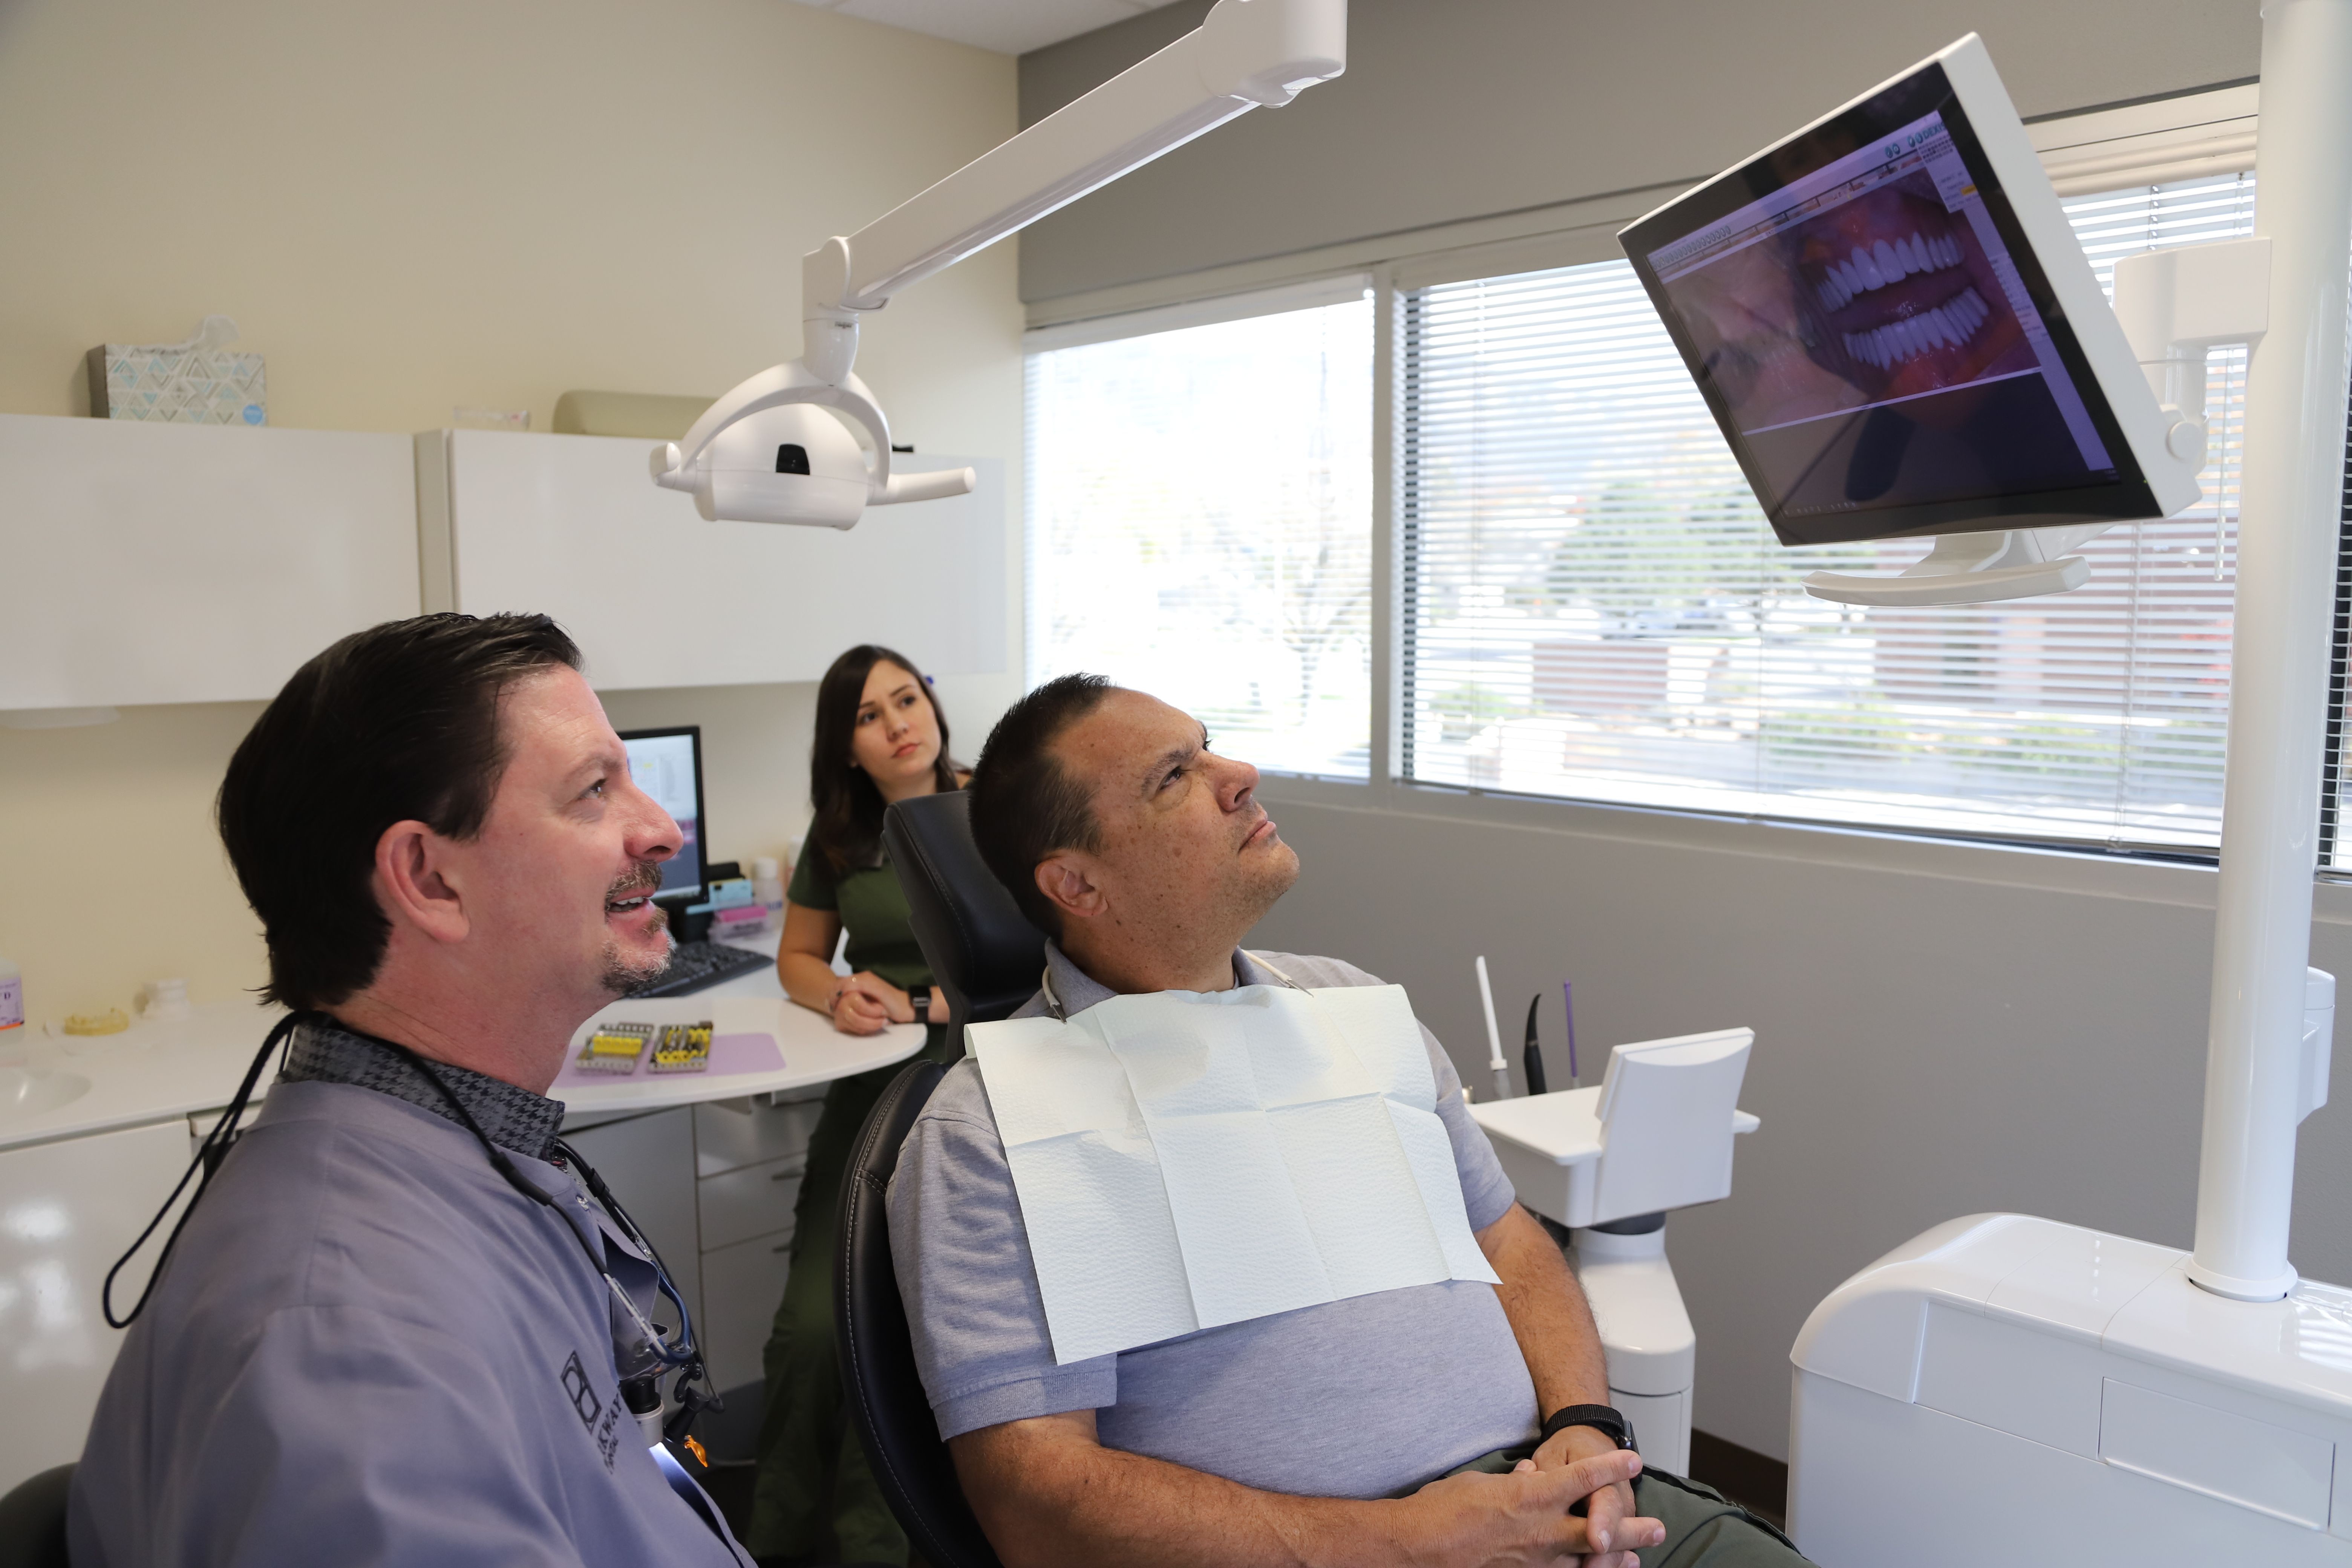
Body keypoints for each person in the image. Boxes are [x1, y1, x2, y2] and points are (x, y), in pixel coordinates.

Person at [891, 674, 1813, 1568]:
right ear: (1077, 885)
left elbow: (1511, 1243)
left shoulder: (1354, 1004)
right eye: (1176, 777)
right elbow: (1038, 1506)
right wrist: (1415, 1543)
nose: (1238, 774)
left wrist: (1583, 1429)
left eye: (1208, 746)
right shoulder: (990, 1132)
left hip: (1554, 1500)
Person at [69, 612, 752, 1568]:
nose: (662, 829)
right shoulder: (349, 1354)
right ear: (430, 878)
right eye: (595, 791)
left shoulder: (458, 1145)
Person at [747, 644, 965, 1567]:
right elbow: (797, 958)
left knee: (909, 1326)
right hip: (874, 1094)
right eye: (870, 717)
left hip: (974, 1084)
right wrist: (836, 993)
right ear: (848, 750)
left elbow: (1036, 963)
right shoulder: (841, 833)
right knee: (809, 1329)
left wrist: (919, 1005)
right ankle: (773, 1542)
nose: (897, 725)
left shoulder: (992, 808)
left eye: (906, 700)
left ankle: (876, 1546)